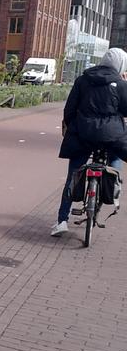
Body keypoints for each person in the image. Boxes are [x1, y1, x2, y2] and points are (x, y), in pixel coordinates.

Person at [51, 47, 127, 235]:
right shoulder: (121, 83)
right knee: (116, 160)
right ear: (122, 65)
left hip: (83, 134)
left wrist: (72, 128)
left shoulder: (82, 80)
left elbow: (69, 110)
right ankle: (114, 182)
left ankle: (62, 221)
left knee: (72, 176)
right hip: (111, 137)